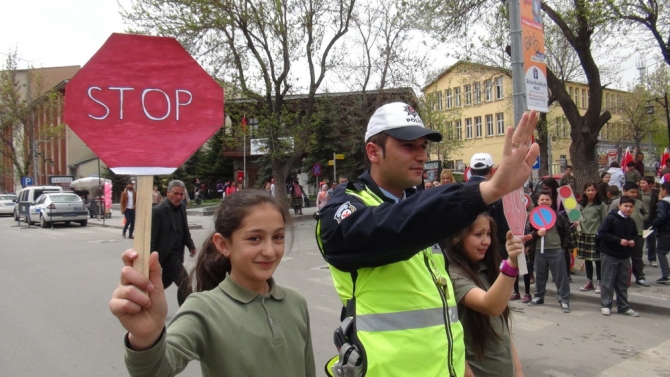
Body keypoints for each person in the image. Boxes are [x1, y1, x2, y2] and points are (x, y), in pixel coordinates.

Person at [316, 101, 539, 376]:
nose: (421, 155)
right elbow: (390, 226)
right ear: (374, 152)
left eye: (423, 146)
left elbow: (444, 310)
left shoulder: (418, 207)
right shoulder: (345, 209)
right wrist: (488, 189)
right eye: (409, 146)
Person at [109, 189, 316, 376]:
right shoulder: (204, 309)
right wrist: (146, 337)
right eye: (255, 238)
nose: (270, 251)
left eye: (278, 237)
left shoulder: (296, 303)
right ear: (223, 245)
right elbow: (157, 369)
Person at [447, 214, 527, 377]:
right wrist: (511, 265)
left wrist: (518, 370)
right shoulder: (453, 275)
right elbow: (491, 306)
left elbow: (501, 327)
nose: (486, 241)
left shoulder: (487, 269)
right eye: (478, 234)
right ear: (457, 237)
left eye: (488, 234)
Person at [151, 180, 197, 307]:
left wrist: (191, 245)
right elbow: (153, 237)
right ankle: (186, 312)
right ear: (167, 193)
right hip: (166, 254)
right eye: (175, 194)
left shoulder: (182, 207)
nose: (179, 197)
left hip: (178, 253)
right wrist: (150, 258)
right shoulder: (158, 211)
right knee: (184, 282)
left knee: (164, 282)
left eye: (181, 194)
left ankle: (146, 296)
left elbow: (184, 228)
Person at [526, 190, 573, 313]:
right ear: (537, 201)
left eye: (547, 199)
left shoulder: (559, 217)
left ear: (551, 201)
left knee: (560, 277)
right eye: (542, 199)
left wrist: (563, 249)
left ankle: (564, 300)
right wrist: (537, 233)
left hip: (556, 250)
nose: (544, 201)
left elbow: (567, 234)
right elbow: (528, 233)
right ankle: (539, 297)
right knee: (540, 276)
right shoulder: (533, 217)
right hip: (538, 250)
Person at [597, 196, 641, 317]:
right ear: (619, 206)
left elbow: (635, 235)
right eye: (625, 206)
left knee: (622, 283)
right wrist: (618, 241)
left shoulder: (631, 221)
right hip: (609, 254)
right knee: (608, 281)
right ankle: (606, 305)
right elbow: (602, 233)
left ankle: (623, 306)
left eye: (631, 207)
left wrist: (632, 241)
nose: (628, 209)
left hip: (625, 256)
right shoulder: (611, 219)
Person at [609, 182, 650, 287]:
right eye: (632, 192)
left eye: (636, 192)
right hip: (620, 235)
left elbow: (646, 213)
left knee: (637, 257)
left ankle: (640, 277)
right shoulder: (616, 203)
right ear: (624, 191)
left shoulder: (639, 203)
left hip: (638, 234)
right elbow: (610, 217)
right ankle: (621, 278)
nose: (634, 194)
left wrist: (642, 218)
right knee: (620, 257)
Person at [576, 183, 608, 293]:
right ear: (584, 191)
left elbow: (605, 221)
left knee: (598, 260)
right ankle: (589, 281)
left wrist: (602, 234)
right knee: (587, 260)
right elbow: (576, 218)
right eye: (588, 190)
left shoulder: (601, 205)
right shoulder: (581, 205)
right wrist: (576, 223)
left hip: (596, 235)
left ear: (596, 191)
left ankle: (600, 281)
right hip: (583, 235)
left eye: (592, 190)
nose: (590, 192)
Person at [651, 182, 670, 284]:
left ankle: (666, 275)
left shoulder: (662, 204)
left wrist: (653, 224)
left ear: (664, 191)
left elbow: (661, 217)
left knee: (661, 252)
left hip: (666, 231)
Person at [639, 176, 659, 267]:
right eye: (640, 183)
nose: (641, 185)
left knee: (651, 240)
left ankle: (652, 259)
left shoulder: (655, 194)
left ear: (650, 184)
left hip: (650, 221)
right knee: (640, 241)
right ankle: (639, 259)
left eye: (643, 183)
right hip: (640, 220)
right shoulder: (639, 194)